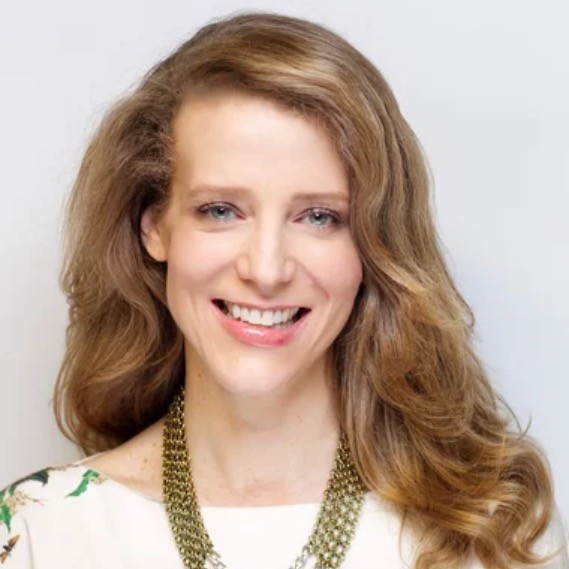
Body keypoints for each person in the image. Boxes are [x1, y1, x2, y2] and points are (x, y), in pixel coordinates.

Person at [0, 11, 567, 569]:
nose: (267, 270)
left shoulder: (494, 531)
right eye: (220, 210)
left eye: (319, 217)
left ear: (374, 245)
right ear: (154, 225)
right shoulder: (39, 533)